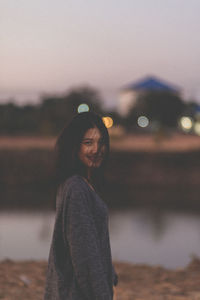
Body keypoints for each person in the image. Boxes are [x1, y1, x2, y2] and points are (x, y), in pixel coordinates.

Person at [44, 111, 118, 300]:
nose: (96, 149)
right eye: (88, 143)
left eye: (101, 143)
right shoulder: (76, 188)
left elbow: (91, 242)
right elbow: (85, 257)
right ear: (73, 146)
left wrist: (109, 272)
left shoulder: (81, 184)